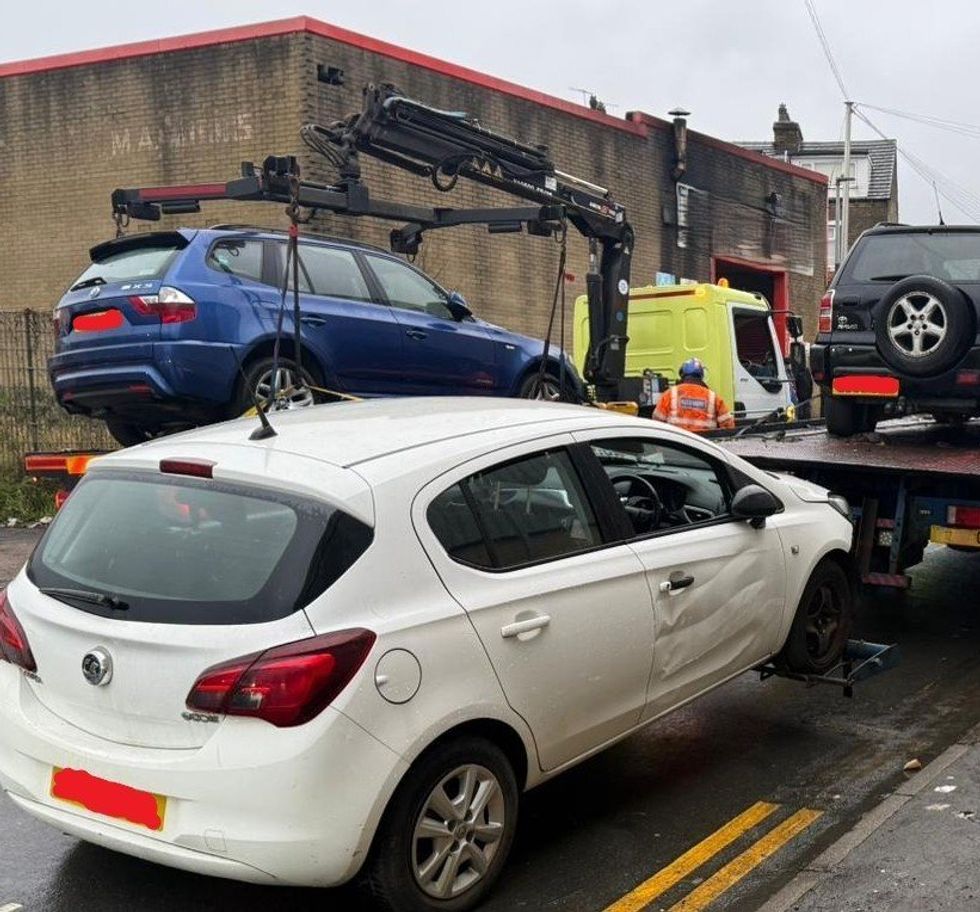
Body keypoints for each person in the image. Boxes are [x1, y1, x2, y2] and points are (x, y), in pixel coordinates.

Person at [653, 358, 735, 432]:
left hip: (676, 445)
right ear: (701, 376)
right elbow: (728, 426)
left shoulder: (670, 394)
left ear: (682, 375)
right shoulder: (713, 397)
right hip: (704, 445)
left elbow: (657, 423)